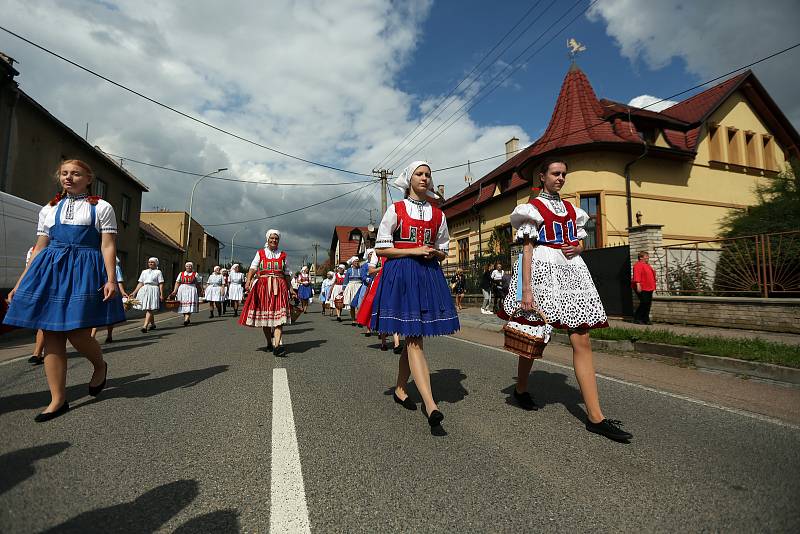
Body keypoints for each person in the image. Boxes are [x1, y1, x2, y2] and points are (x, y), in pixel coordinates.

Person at [498, 159, 632, 442]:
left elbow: (580, 240)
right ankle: (521, 387)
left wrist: (580, 245)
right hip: (544, 270)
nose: (560, 178)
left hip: (571, 270)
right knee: (534, 333)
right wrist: (526, 291)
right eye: (555, 174)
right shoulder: (532, 209)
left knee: (581, 337)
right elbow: (527, 249)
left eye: (563, 174)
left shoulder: (573, 210)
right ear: (542, 176)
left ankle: (596, 417)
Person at [3, 159, 123, 422]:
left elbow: (108, 246)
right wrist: (21, 282)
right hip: (52, 270)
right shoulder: (49, 208)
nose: (69, 178)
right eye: (64, 174)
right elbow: (40, 248)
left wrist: (111, 279)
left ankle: (100, 366)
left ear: (88, 178)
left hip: (84, 270)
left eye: (76, 174)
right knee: (51, 334)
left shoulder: (102, 207)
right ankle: (57, 399)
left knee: (78, 332)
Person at [370, 161, 459, 428]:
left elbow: (444, 249)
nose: (424, 178)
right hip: (403, 275)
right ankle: (431, 405)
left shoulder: (438, 215)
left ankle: (400, 388)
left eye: (428, 174)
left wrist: (434, 253)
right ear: (409, 179)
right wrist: (413, 251)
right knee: (415, 339)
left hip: (427, 275)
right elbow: (382, 250)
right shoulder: (395, 209)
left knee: (413, 337)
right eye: (419, 174)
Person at [239, 229, 297, 356]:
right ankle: (269, 342)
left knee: (279, 318)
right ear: (267, 239)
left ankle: (276, 346)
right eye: (272, 238)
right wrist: (248, 282)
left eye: (276, 238)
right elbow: (253, 268)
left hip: (280, 287)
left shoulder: (283, 255)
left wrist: (291, 289)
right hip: (263, 287)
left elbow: (287, 274)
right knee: (266, 319)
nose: (274, 240)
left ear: (278, 240)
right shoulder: (260, 253)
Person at [356, 247, 402, 353]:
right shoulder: (377, 254)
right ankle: (383, 342)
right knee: (381, 311)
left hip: (394, 282)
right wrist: (383, 268)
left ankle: (397, 344)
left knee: (394, 310)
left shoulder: (396, 251)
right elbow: (371, 271)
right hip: (380, 284)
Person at [90, 255, 128, 343]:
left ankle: (109, 335)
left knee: (109, 314)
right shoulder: (99, 266)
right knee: (97, 313)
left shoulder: (116, 268)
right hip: (100, 292)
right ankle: (92, 336)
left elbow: (119, 281)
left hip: (112, 292)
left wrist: (122, 292)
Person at [130, 257, 164, 333]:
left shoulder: (158, 272)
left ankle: (144, 326)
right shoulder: (144, 272)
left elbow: (161, 283)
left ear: (156, 263)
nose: (150, 263)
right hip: (144, 289)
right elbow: (140, 283)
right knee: (148, 308)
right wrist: (134, 292)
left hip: (153, 289)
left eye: (152, 262)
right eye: (149, 262)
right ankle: (153, 324)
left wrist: (161, 294)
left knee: (149, 308)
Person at [169, 262, 202, 326]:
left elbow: (198, 283)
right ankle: (186, 318)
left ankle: (186, 319)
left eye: (190, 266)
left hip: (191, 289)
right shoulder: (181, 274)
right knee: (183, 305)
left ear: (192, 267)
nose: (189, 267)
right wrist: (175, 291)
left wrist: (200, 290)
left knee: (189, 305)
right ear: (185, 267)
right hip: (182, 289)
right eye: (187, 266)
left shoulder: (195, 274)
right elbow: (177, 282)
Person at [632, 251, 656, 324]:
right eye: (646, 256)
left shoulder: (647, 265)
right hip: (642, 287)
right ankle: (637, 318)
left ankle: (646, 319)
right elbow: (637, 275)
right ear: (641, 257)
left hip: (649, 287)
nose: (648, 257)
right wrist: (638, 284)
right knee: (644, 302)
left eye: (647, 256)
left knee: (648, 303)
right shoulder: (638, 265)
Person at [342, 256, 363, 326]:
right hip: (351, 287)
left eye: (357, 261)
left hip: (359, 286)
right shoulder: (349, 270)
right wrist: (343, 289)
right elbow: (345, 280)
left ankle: (359, 320)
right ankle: (353, 320)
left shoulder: (361, 269)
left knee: (359, 304)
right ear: (352, 262)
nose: (357, 262)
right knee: (352, 305)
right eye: (355, 261)